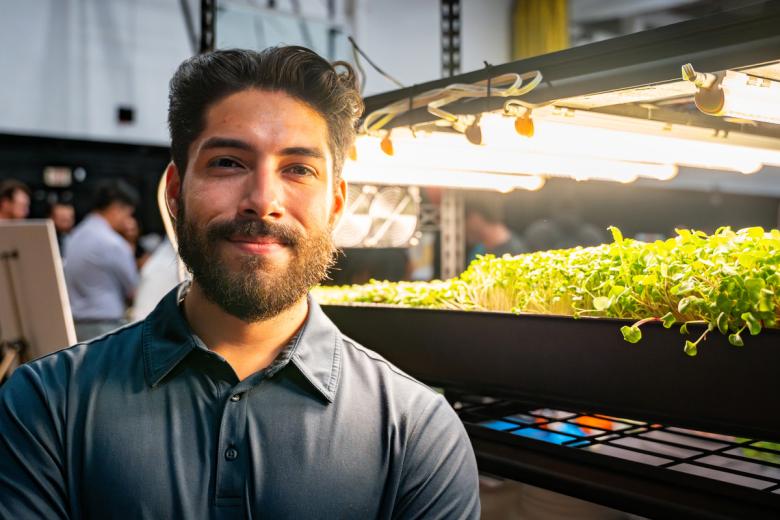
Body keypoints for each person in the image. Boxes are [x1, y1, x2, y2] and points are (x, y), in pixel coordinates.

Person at [0, 47, 480, 518]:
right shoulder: (47, 403)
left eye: (298, 169)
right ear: (174, 193)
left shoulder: (417, 432)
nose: (262, 200)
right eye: (228, 162)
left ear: (335, 206)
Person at [62, 179, 140, 341]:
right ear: (117, 208)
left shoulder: (74, 235)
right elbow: (133, 289)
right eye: (128, 213)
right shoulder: (113, 243)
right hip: (106, 328)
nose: (127, 220)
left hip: (76, 327)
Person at [465, 194, 527, 261]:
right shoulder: (479, 249)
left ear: (475, 218)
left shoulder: (515, 254)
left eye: (466, 218)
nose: (464, 226)